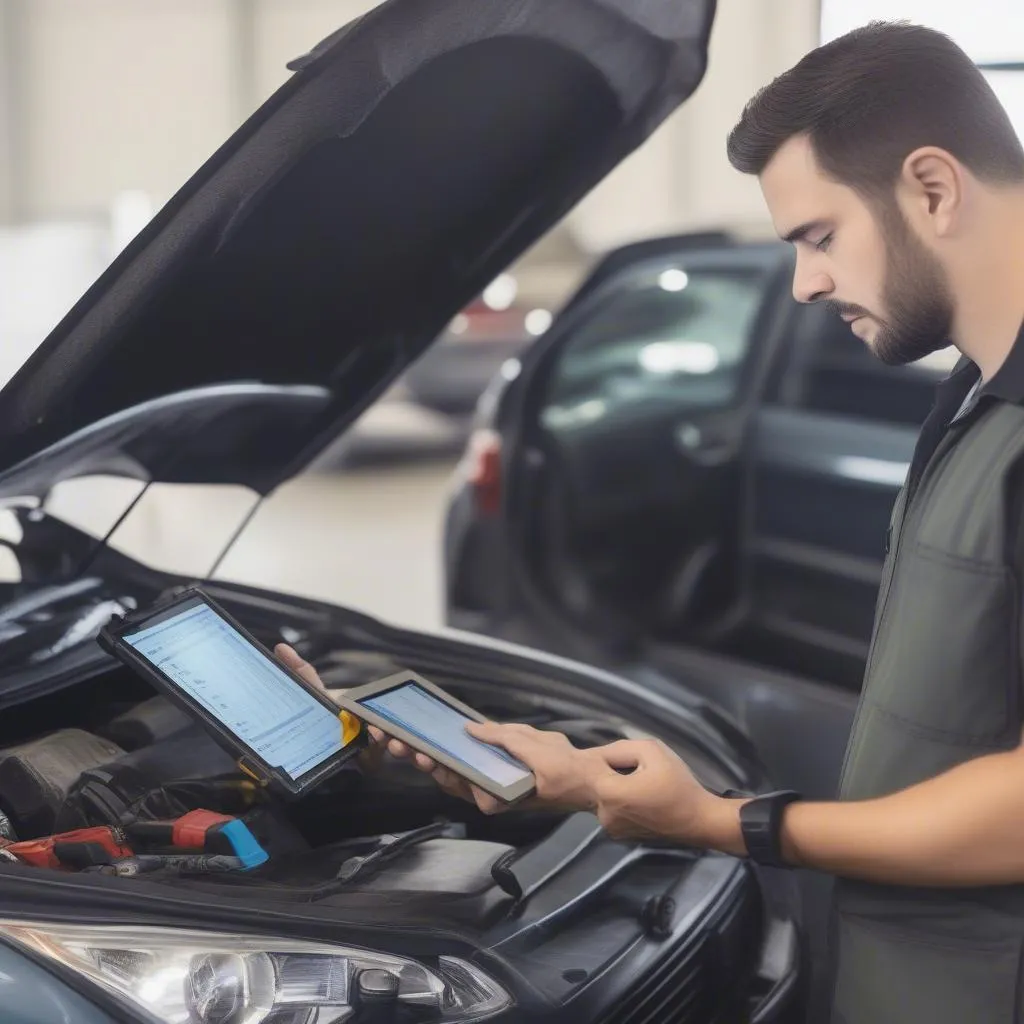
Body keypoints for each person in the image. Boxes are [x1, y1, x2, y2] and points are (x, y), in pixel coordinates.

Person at [284, 22, 1024, 1022]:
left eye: (818, 237)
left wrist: (723, 823)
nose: (805, 282)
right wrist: (582, 779)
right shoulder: (974, 399)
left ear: (931, 189)